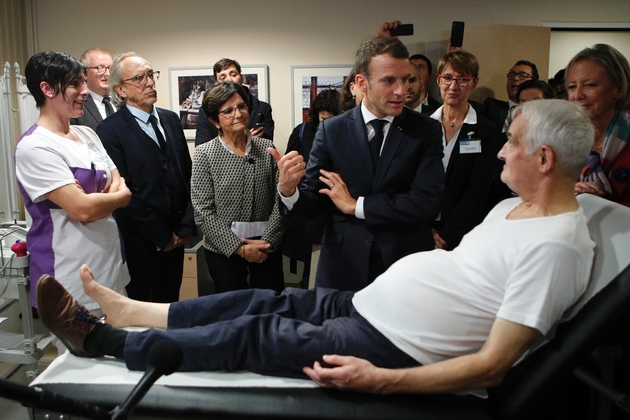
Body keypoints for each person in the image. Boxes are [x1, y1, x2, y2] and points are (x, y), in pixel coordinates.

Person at [39, 99, 596, 397]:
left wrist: (383, 380)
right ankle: (140, 313)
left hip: (391, 342)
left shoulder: (557, 248)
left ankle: (106, 342)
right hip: (365, 305)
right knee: (256, 302)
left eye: (513, 144)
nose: (500, 152)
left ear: (544, 159)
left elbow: (494, 366)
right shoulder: (511, 208)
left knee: (254, 332)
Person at [271, 36, 444, 291]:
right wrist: (288, 191)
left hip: (405, 264)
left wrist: (356, 206)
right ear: (362, 82)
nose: (402, 91)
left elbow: (426, 202)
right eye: (389, 80)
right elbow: (312, 204)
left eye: (406, 79)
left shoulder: (425, 130)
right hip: (343, 265)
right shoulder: (332, 130)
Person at [14, 51, 131, 313]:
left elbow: (117, 180)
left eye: (83, 82)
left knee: (119, 348)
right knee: (80, 352)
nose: (85, 91)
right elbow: (82, 209)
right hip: (69, 275)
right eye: (74, 84)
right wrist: (117, 198)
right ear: (47, 88)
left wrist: (96, 199)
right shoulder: (35, 146)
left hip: (110, 264)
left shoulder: (87, 134)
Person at [96, 52, 195, 303]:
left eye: (151, 75)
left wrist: (184, 227)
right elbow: (124, 192)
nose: (150, 83)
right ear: (120, 89)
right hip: (141, 240)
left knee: (170, 303)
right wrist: (162, 236)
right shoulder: (110, 131)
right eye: (139, 78)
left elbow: (187, 175)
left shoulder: (171, 119)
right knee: (143, 309)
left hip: (178, 235)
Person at [191, 82, 285, 294]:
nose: (238, 114)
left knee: (270, 307)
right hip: (223, 251)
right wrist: (240, 249)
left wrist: (268, 241)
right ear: (215, 121)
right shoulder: (204, 154)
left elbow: (281, 199)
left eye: (242, 106)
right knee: (233, 309)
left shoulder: (267, 148)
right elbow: (203, 212)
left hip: (266, 247)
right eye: (228, 111)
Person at [429, 51, 501, 250]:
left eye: (462, 80)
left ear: (474, 83)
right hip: (421, 229)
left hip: (464, 233)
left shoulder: (486, 130)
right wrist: (426, 229)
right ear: (438, 79)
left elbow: (478, 189)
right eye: (447, 78)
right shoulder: (422, 126)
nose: (453, 87)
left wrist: (446, 235)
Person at [284, 89, 341, 287]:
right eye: (324, 119)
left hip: (338, 205)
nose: (328, 124)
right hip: (309, 204)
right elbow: (289, 164)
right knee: (311, 262)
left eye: (333, 119)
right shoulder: (303, 131)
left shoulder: (346, 132)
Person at [566, 44, 630, 207]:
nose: (578, 95)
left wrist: (602, 204)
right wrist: (569, 193)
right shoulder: (560, 138)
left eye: (590, 85)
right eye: (572, 87)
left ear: (618, 88)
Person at [195, 58, 274, 147]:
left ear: (241, 77)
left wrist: (250, 142)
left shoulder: (263, 109)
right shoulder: (206, 111)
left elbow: (268, 147)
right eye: (223, 77)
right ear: (217, 83)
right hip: (219, 159)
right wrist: (239, 141)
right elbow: (201, 146)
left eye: (233, 74)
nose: (229, 79)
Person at [482, 60, 539, 133]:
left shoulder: (541, 115)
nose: (515, 78)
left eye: (523, 76)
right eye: (512, 75)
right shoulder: (491, 107)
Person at [69, 48, 114, 130]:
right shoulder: (75, 105)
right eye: (100, 68)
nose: (107, 74)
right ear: (84, 73)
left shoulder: (124, 100)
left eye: (110, 68)